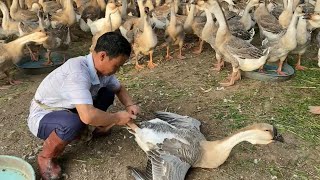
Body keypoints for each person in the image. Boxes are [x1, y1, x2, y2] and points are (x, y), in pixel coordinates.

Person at [27, 32, 140, 180]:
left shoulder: (102, 72)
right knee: (74, 123)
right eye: (116, 66)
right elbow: (87, 116)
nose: (117, 70)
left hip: (70, 108)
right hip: (45, 115)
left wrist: (129, 104)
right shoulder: (78, 72)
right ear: (102, 56)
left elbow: (118, 88)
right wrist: (117, 118)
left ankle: (91, 130)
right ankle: (45, 157)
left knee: (107, 93)